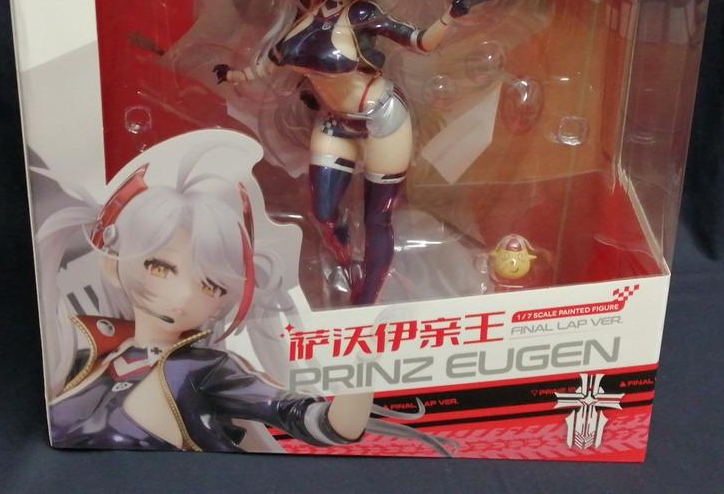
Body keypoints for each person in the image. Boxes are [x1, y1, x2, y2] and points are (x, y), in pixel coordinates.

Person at [34, 134, 449, 454]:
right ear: (113, 265)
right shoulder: (90, 349)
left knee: (169, 378)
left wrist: (366, 365)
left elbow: (325, 423)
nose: (183, 296)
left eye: (210, 285)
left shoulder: (201, 369)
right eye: (160, 267)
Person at [215, 0, 487, 305]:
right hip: (334, 122)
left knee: (377, 217)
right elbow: (271, 61)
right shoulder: (307, 14)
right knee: (324, 214)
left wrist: (451, 15)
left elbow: (419, 41)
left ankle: (366, 299)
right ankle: (345, 265)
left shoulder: (363, 14)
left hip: (382, 118)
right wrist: (233, 75)